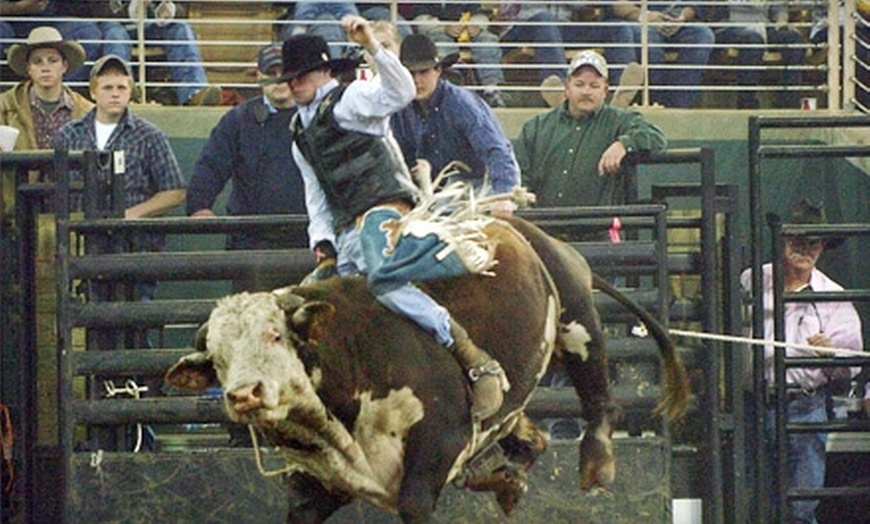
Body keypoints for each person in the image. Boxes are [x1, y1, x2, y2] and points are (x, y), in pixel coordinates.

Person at [283, 17, 509, 422]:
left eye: (300, 77)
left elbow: (401, 89)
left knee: (383, 275)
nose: (292, 85)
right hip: (345, 226)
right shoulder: (299, 129)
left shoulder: (350, 100)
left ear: (322, 73)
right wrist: (323, 247)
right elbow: (314, 196)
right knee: (316, 299)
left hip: (385, 206)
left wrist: (372, 43)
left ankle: (471, 354)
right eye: (289, 79)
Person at [54, 54, 186, 449]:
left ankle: (138, 433)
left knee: (136, 341)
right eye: (108, 87)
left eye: (122, 86)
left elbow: (175, 190)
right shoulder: (68, 136)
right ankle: (93, 432)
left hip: (135, 258)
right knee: (89, 342)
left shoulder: (149, 135)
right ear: (93, 92)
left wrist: (132, 214)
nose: (115, 93)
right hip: (83, 259)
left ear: (131, 91)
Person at [740, 199, 863, 524]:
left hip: (804, 406)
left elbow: (850, 366)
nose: (804, 249)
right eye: (797, 241)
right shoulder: (751, 281)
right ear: (783, 241)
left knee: (801, 504)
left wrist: (831, 355)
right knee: (755, 499)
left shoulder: (834, 298)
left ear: (822, 247)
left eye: (813, 243)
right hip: (754, 401)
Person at [187, 43, 307, 291]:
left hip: (308, 242)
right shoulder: (238, 120)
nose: (279, 80)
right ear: (259, 76)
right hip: (253, 245)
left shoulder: (315, 118)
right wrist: (200, 206)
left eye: (285, 72)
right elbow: (211, 165)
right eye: (271, 73)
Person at [514, 50, 667, 210]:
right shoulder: (536, 127)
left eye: (594, 85)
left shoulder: (618, 120)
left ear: (605, 90)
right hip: (543, 228)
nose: (586, 91)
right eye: (579, 84)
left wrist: (624, 144)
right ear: (567, 88)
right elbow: (518, 175)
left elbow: (656, 137)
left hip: (600, 227)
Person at [390, 33, 519, 212]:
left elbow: (495, 149)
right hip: (442, 189)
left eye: (424, 72)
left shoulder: (461, 103)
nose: (417, 80)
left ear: (438, 70)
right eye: (411, 73)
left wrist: (504, 195)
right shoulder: (400, 109)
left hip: (483, 182)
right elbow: (400, 159)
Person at [0, 26, 92, 221]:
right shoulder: (5, 106)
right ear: (28, 69)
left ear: (64, 66)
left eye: (53, 60)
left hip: (71, 213)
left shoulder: (86, 111)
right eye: (37, 61)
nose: (45, 67)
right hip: (17, 215)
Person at [57, 0, 222, 106]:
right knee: (116, 37)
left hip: (153, 24)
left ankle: (193, 93)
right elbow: (97, 8)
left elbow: (183, 7)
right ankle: (122, 91)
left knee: (181, 29)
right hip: (115, 23)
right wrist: (129, 10)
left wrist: (169, 10)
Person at [497, 2, 640, 105]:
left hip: (561, 28)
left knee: (618, 28)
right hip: (521, 27)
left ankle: (619, 95)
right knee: (546, 20)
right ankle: (558, 93)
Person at [402, 2, 508, 107]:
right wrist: (444, 27)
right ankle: (449, 87)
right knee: (440, 40)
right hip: (437, 31)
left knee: (488, 39)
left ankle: (492, 89)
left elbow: (479, 14)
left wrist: (475, 25)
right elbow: (420, 19)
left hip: (466, 31)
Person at [611, 0, 714, 108]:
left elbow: (697, 5)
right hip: (637, 20)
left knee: (703, 35)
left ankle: (679, 108)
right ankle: (654, 102)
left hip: (676, 22)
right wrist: (645, 16)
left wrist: (681, 16)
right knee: (650, 40)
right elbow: (617, 5)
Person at [705, 0, 806, 109]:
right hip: (731, 26)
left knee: (795, 41)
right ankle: (747, 104)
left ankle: (787, 103)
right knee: (753, 40)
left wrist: (782, 21)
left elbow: (779, 8)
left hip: (764, 25)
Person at [0, 0, 103, 82]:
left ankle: (60, 92)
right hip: (7, 22)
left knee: (88, 33)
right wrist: (18, 8)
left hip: (54, 19)